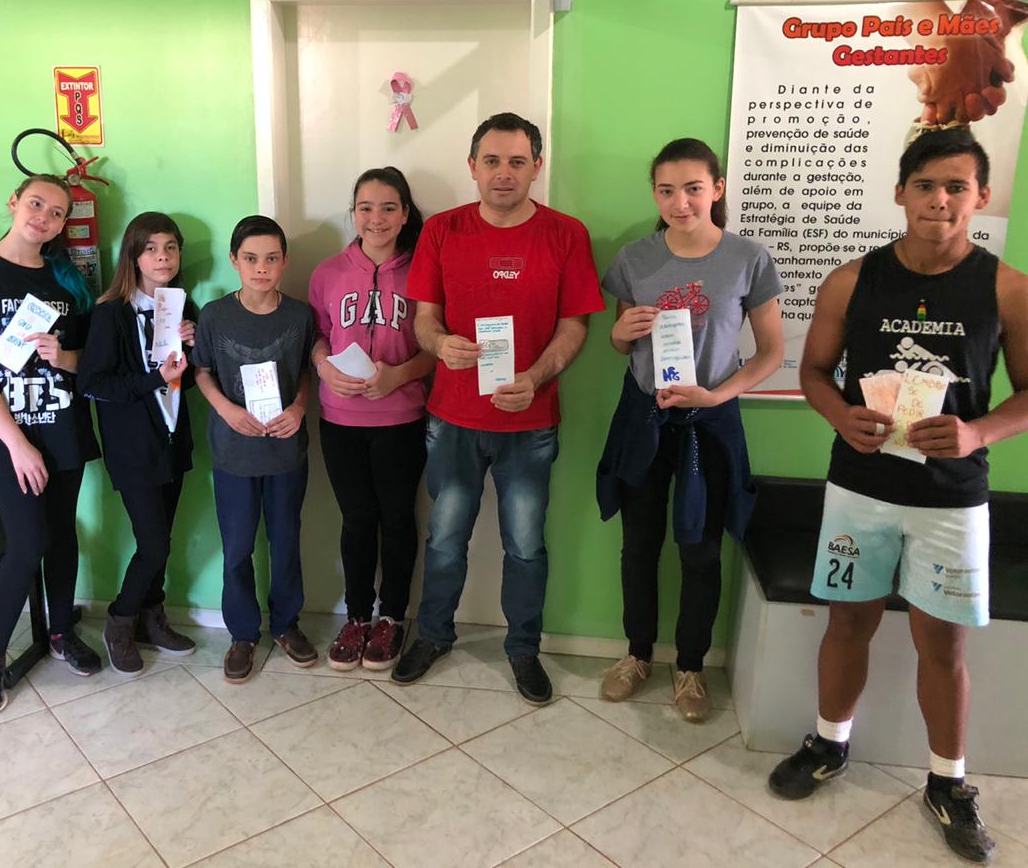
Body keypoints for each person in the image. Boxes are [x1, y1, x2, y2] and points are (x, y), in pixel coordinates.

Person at [767, 128, 1028, 864]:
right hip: (861, 488)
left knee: (942, 643)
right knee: (847, 622)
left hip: (952, 497)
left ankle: (947, 783)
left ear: (981, 197)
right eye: (925, 185)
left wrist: (977, 434)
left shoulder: (1008, 289)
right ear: (900, 193)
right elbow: (814, 372)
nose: (939, 200)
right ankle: (829, 744)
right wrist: (839, 415)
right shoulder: (851, 280)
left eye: (956, 186)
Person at [391, 112, 605, 703]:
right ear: (472, 167)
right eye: (491, 161)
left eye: (516, 161)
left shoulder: (566, 234)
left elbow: (575, 325)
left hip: (529, 423)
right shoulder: (442, 231)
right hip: (452, 419)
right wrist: (440, 345)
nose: (503, 173)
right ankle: (432, 635)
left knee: (526, 546)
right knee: (444, 540)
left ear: (537, 166)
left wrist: (536, 377)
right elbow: (424, 319)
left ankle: (523, 649)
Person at [594, 138, 783, 721]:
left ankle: (692, 667)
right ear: (655, 194)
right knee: (639, 543)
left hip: (711, 417)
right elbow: (620, 342)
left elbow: (772, 352)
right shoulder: (635, 259)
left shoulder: (748, 258)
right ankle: (637, 655)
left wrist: (717, 394)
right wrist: (621, 332)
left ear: (716, 189)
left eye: (693, 189)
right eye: (667, 190)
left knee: (700, 548)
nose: (680, 202)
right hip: (645, 416)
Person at [0, 174, 102, 714]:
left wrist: (63, 356)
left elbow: (87, 359)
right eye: (36, 204)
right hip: (11, 439)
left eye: (57, 213)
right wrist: (18, 445)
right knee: (27, 544)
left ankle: (59, 633)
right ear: (13, 203)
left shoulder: (66, 279)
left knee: (62, 537)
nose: (44, 218)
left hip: (64, 426)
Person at [308, 167, 434, 671]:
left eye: (388, 208)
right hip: (340, 421)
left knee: (398, 518)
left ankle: (393, 618)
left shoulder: (425, 271)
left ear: (404, 215)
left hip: (402, 419)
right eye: (365, 207)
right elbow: (317, 336)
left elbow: (438, 349)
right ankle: (358, 616)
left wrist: (398, 375)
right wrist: (323, 366)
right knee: (357, 519)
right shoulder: (327, 273)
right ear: (353, 213)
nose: (376, 218)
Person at [191, 216, 317, 683]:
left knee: (286, 542)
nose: (261, 268)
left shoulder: (300, 316)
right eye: (250, 258)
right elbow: (202, 371)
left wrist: (299, 407)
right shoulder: (214, 315)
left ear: (284, 261)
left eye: (271, 258)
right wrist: (226, 409)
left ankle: (286, 624)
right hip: (234, 452)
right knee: (238, 547)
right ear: (234, 261)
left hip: (285, 451)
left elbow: (305, 371)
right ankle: (243, 634)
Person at [79, 212, 199, 675]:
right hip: (133, 448)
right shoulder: (110, 313)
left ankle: (152, 617)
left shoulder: (183, 307)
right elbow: (94, 384)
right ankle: (120, 621)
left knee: (162, 539)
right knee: (153, 546)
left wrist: (191, 351)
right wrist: (155, 377)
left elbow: (186, 383)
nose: (162, 257)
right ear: (133, 256)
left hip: (172, 440)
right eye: (151, 249)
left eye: (170, 247)